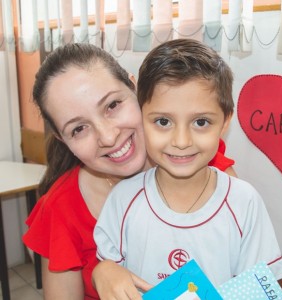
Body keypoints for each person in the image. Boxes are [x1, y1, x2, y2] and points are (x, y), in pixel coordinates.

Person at [22, 43, 236, 300]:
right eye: (79, 128)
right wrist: (100, 273)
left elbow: (249, 275)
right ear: (61, 138)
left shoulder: (200, 163)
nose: (109, 136)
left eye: (112, 105)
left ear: (134, 89)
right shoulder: (60, 210)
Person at [93, 39, 282, 294]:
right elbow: (111, 277)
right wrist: (104, 269)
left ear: (225, 122)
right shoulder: (123, 200)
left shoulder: (244, 203)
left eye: (201, 122)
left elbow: (261, 290)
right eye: (163, 121)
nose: (182, 141)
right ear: (140, 117)